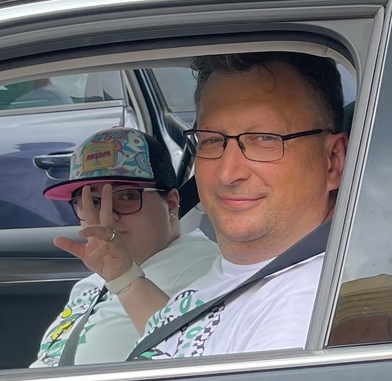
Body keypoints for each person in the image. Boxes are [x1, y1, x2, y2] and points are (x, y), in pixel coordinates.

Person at [0, 127, 218, 372]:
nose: (107, 216)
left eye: (127, 197)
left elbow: (203, 360)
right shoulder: (94, 282)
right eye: (91, 201)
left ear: (171, 203)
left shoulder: (208, 271)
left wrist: (126, 279)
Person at [130, 51, 348, 360]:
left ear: (333, 162)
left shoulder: (305, 309)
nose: (228, 173)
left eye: (265, 138)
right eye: (211, 140)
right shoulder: (228, 279)